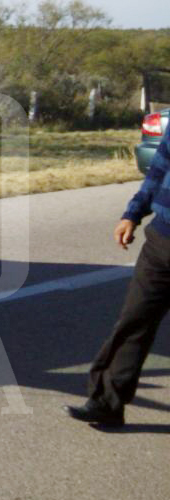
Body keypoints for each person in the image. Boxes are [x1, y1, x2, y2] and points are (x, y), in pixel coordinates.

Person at [66, 135, 170, 427]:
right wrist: (133, 213)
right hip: (162, 240)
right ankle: (105, 403)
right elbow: (159, 170)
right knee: (133, 322)